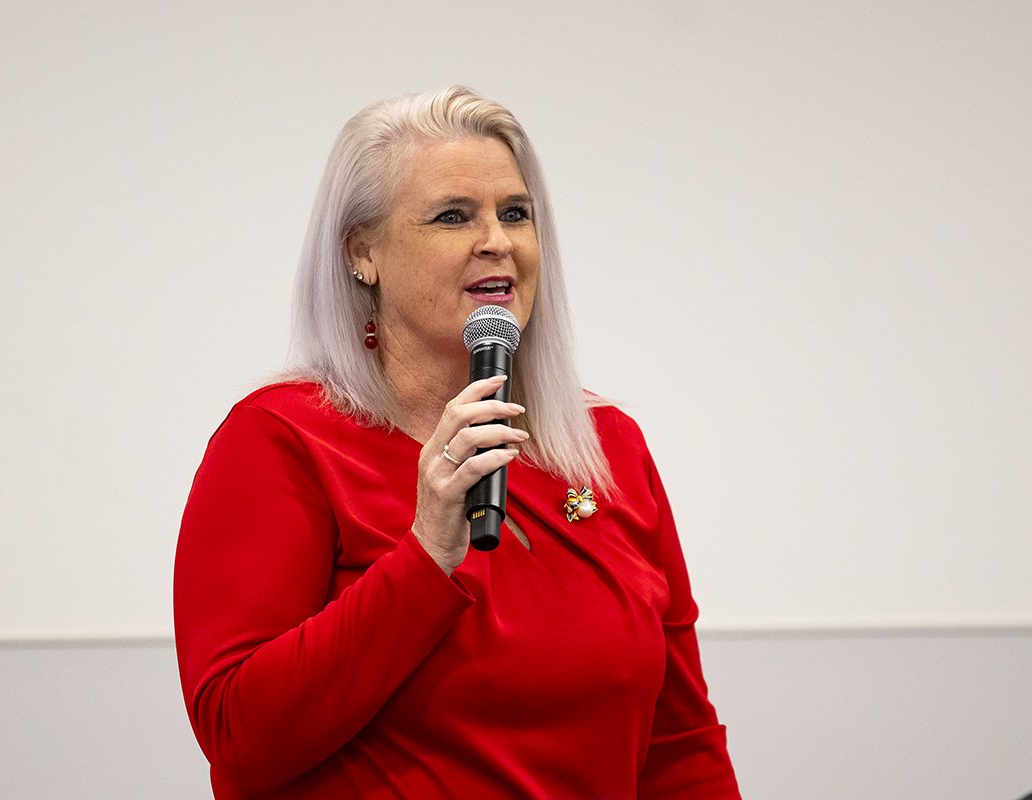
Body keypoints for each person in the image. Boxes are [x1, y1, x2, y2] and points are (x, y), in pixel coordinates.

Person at [174, 86, 740, 799]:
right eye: (452, 216)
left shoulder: (608, 448)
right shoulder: (282, 440)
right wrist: (427, 558)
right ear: (362, 253)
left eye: (515, 213)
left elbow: (679, 743)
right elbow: (239, 738)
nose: (496, 240)